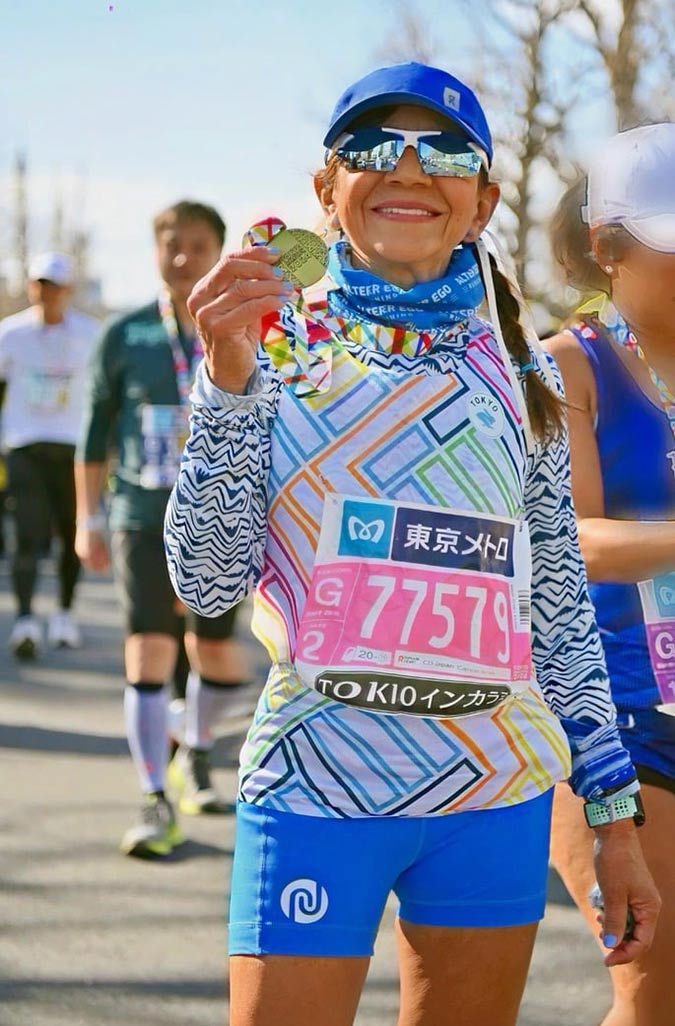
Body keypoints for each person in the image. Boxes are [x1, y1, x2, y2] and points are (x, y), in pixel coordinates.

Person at [164, 65, 659, 1026]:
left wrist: (612, 820)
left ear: (482, 199)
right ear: (325, 187)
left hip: (493, 794)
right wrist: (225, 384)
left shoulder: (521, 375)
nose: (407, 168)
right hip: (316, 783)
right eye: (372, 148)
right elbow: (205, 578)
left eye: (442, 150)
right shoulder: (265, 342)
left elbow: (556, 612)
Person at [75, 201, 252, 859]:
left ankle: (197, 751)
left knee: (216, 658)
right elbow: (92, 439)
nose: (183, 258)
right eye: (172, 245)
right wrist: (86, 518)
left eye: (198, 246)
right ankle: (154, 796)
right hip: (140, 517)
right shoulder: (124, 336)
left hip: (217, 518)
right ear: (155, 251)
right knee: (148, 650)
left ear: (218, 251)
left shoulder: (243, 329)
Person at [546, 124, 675, 1026]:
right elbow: (573, 541)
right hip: (621, 719)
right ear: (607, 250)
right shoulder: (567, 364)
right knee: (652, 995)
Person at [0, 252, 99, 659]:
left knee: (69, 534)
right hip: (24, 445)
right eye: (41, 284)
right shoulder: (11, 333)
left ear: (68, 290)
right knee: (27, 532)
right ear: (31, 287)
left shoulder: (91, 334)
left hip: (73, 448)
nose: (48, 293)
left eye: (55, 286)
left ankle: (63, 614)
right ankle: (24, 619)